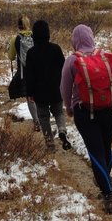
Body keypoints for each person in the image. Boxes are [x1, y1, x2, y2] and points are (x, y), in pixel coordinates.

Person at [60, 24, 112, 214]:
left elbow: (64, 89)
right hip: (110, 110)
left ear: (74, 41)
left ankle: (107, 194)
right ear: (91, 37)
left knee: (95, 152)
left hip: (85, 112)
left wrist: (69, 108)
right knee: (105, 148)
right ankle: (106, 179)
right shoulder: (107, 57)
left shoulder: (72, 61)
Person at [24, 20, 72, 151]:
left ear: (34, 35)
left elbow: (29, 75)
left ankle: (49, 141)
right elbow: (64, 69)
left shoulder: (31, 53)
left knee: (43, 116)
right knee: (58, 112)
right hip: (56, 89)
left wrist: (29, 93)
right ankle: (62, 129)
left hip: (40, 92)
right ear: (48, 33)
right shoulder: (56, 49)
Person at [8, 15, 40, 131]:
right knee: (38, 96)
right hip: (37, 71)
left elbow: (11, 57)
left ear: (18, 25)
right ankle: (43, 118)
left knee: (30, 97)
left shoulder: (15, 39)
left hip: (24, 72)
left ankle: (36, 122)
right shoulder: (36, 37)